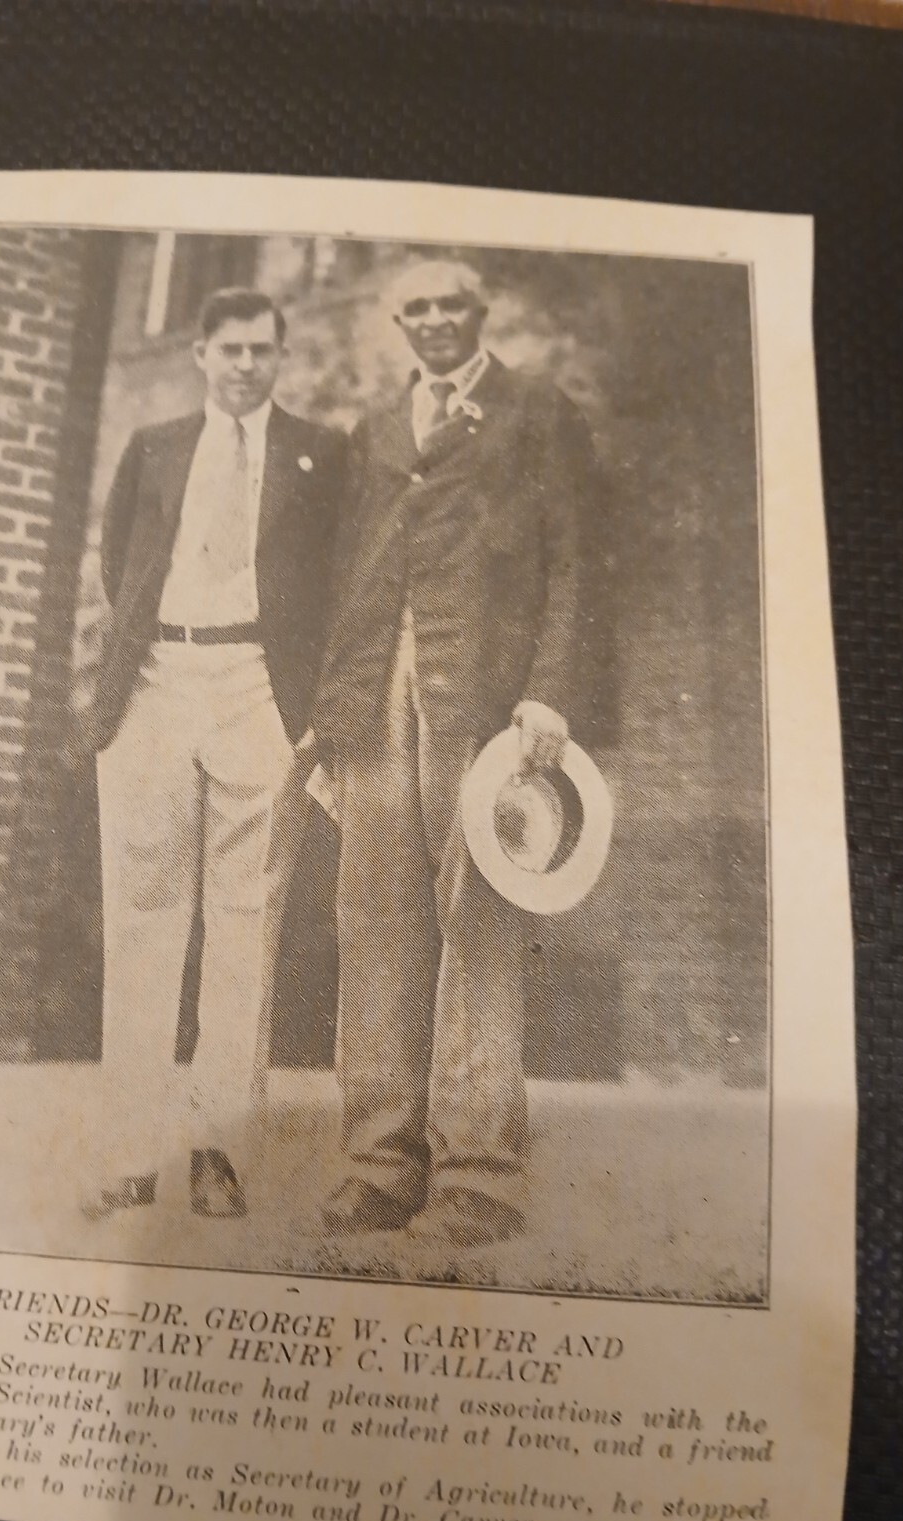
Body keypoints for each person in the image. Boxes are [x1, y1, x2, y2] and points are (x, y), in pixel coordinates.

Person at [311, 258, 601, 1249]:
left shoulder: (535, 413)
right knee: (377, 925)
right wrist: (330, 715)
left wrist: (549, 691)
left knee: (475, 922)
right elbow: (351, 574)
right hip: (375, 697)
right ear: (400, 322)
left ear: (479, 315)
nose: (435, 320)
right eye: (418, 307)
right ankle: (380, 1165)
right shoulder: (378, 432)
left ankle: (477, 1176)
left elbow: (571, 561)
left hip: (480, 692)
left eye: (452, 305)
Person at [82, 287, 345, 1221]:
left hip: (256, 689)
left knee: (243, 925)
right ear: (198, 353)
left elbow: (335, 582)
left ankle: (217, 1152)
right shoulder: (155, 446)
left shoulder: (323, 455)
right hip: (158, 678)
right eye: (228, 348)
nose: (244, 365)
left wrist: (306, 708)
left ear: (281, 356)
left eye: (261, 350)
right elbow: (121, 568)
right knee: (145, 917)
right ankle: (129, 1152)